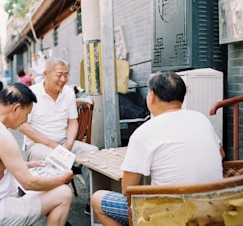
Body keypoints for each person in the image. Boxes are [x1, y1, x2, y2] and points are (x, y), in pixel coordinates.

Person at [91, 71, 225, 226]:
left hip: (169, 217)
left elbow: (128, 191)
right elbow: (221, 154)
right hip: (212, 211)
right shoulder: (201, 119)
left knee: (97, 199)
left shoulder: (144, 132)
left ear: (152, 96)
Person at [0, 83, 73, 225]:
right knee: (63, 193)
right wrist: (62, 178)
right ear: (16, 109)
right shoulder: (1, 136)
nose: (25, 121)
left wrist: (28, 165)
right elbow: (29, 183)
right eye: (26, 114)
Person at [19, 57, 99, 215]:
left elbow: (73, 121)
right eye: (59, 74)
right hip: (38, 145)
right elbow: (23, 125)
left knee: (94, 152)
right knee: (55, 159)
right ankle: (55, 210)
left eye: (66, 74)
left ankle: (94, 203)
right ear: (45, 74)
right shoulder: (31, 93)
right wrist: (51, 145)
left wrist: (68, 145)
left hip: (63, 142)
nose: (63, 79)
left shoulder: (68, 92)